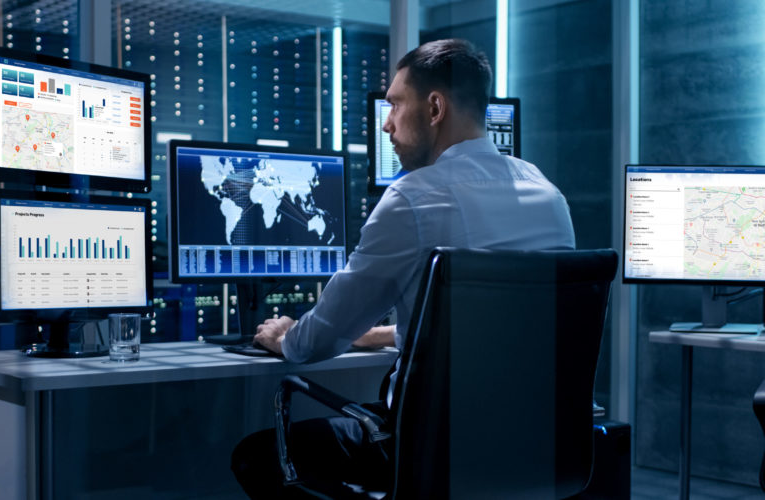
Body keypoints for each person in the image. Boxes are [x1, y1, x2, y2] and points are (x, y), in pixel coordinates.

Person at [231, 38, 576, 498]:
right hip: (538, 444)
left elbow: (317, 341)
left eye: (394, 105)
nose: (387, 124)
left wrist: (284, 337)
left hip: (433, 449)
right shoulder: (548, 194)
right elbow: (498, 330)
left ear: (434, 108)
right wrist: (382, 334)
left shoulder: (413, 198)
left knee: (257, 456)